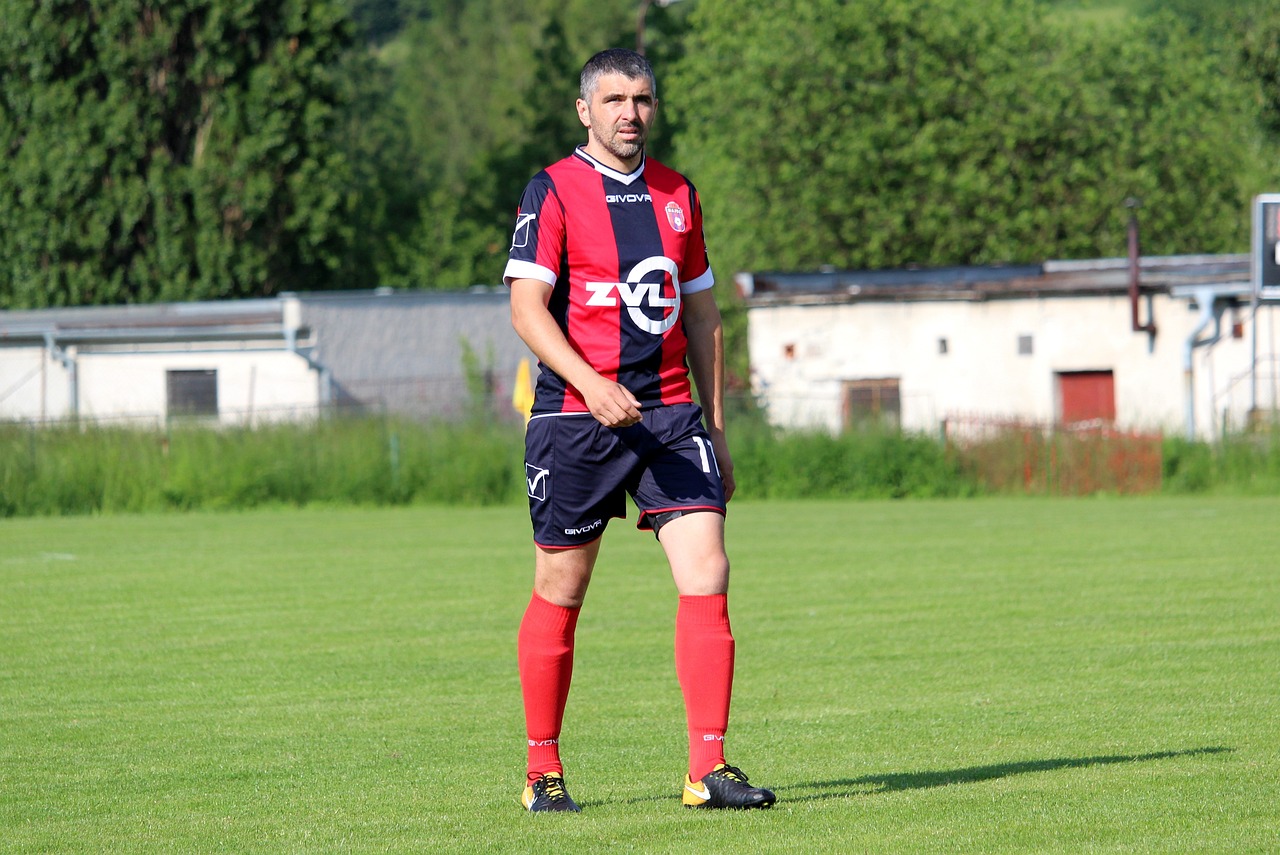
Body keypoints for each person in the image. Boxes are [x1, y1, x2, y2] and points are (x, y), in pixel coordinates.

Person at [503, 48, 775, 813]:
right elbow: (527, 311)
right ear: (585, 110)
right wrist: (591, 385)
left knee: (709, 568)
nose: (631, 112)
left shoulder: (678, 195)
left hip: (668, 413)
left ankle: (708, 769)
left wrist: (716, 427)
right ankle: (542, 772)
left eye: (643, 99)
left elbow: (704, 315)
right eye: (615, 98)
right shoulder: (551, 189)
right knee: (562, 586)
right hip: (573, 418)